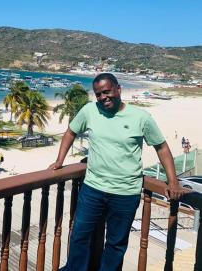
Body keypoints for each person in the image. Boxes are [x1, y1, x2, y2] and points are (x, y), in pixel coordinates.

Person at [49, 73, 184, 271]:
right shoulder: (89, 111)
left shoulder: (141, 118)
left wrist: (173, 182)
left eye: (107, 91)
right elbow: (71, 131)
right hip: (93, 188)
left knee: (115, 244)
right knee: (79, 236)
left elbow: (161, 147)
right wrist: (59, 160)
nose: (103, 97)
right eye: (98, 94)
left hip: (126, 193)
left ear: (118, 89)